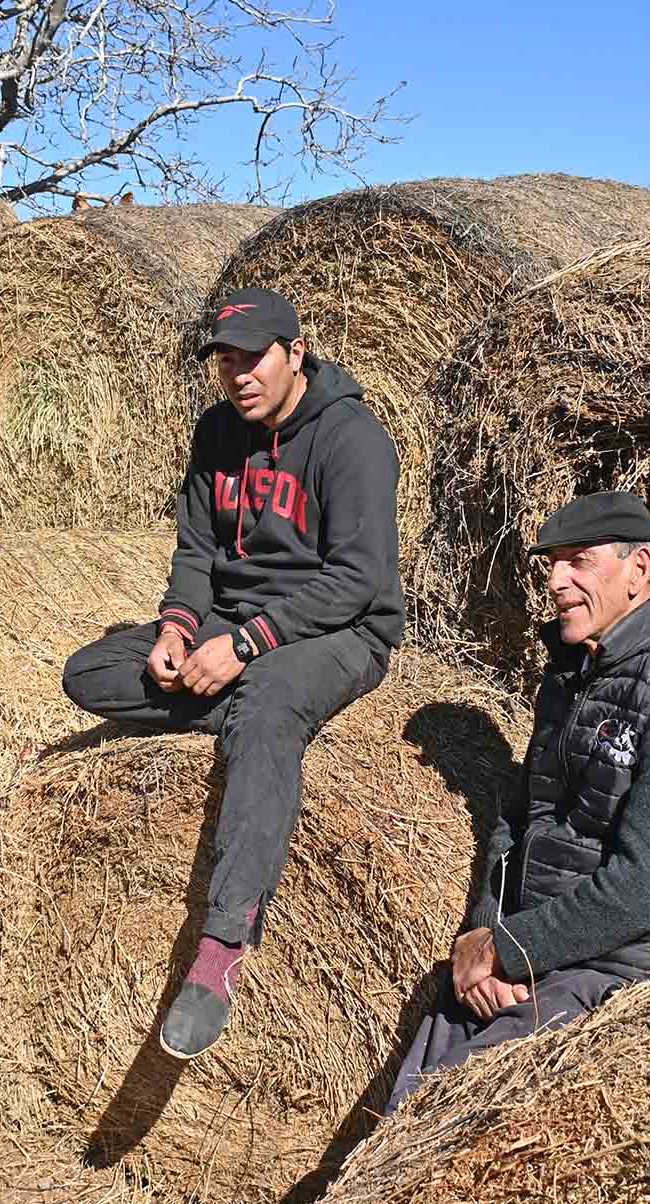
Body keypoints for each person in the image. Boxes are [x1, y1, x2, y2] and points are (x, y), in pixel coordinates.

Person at [62, 286, 403, 1060]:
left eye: (253, 358)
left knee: (272, 703)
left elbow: (358, 579)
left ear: (296, 353)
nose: (238, 375)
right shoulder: (216, 434)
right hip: (234, 623)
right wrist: (180, 630)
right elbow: (194, 552)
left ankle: (221, 952)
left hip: (339, 630)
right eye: (225, 362)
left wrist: (248, 645)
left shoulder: (353, 441)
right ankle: (239, 713)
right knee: (91, 674)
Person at [386, 490, 650, 1110]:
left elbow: (645, 890)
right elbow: (518, 820)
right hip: (526, 954)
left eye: (577, 561)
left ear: (639, 571)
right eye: (552, 564)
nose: (555, 581)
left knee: (450, 1119)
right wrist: (485, 932)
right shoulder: (568, 678)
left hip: (617, 973)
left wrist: (509, 950)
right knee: (400, 1112)